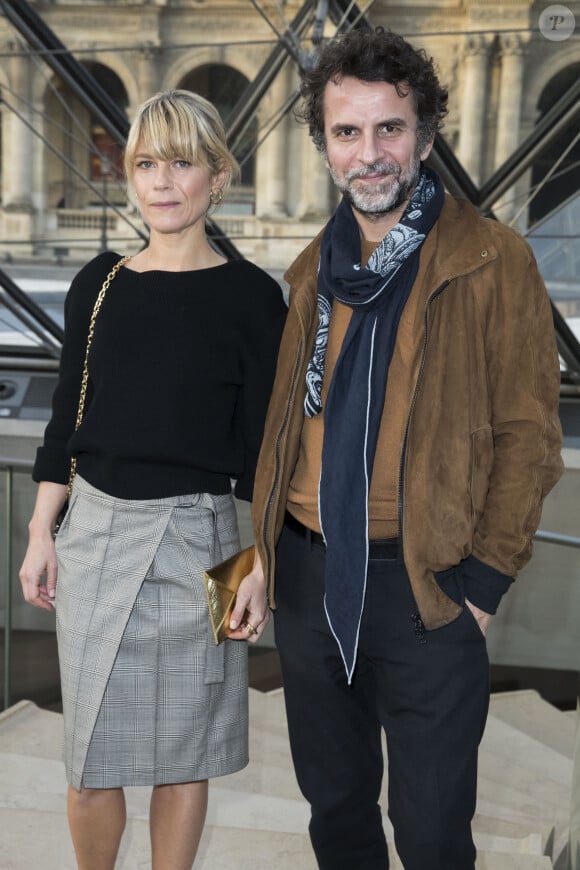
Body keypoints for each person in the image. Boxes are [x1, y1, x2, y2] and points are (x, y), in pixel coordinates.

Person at [247, 27, 563, 870]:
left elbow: (530, 436)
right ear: (324, 147)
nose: (370, 152)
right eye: (347, 133)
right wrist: (262, 558)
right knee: (337, 812)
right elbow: (289, 428)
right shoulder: (314, 268)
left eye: (390, 128)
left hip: (428, 587)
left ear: (425, 135)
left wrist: (483, 587)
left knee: (428, 832)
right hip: (312, 579)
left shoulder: (492, 260)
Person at [19, 89, 286, 870]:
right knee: (89, 755)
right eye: (144, 163)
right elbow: (66, 420)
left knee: (186, 750)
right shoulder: (98, 284)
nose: (161, 182)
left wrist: (262, 565)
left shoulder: (251, 299)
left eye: (181, 162)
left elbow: (270, 453)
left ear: (217, 174)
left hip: (207, 540)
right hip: (95, 534)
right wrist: (42, 531)